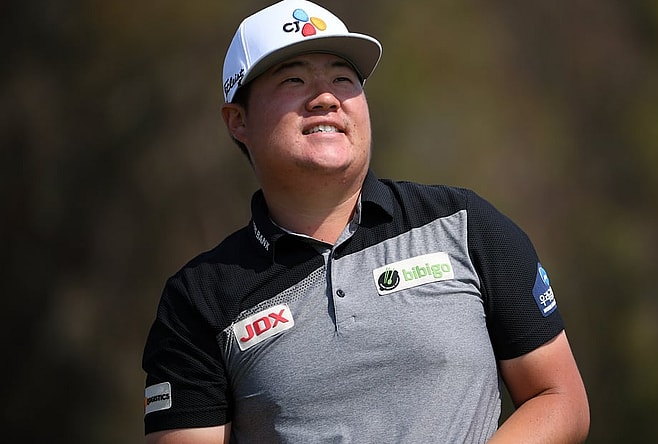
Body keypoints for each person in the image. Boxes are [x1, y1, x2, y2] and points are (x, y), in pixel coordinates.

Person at [142, 0, 590, 442]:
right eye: (294, 79)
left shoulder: (466, 224)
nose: (325, 98)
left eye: (342, 78)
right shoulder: (198, 299)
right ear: (238, 121)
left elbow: (559, 397)